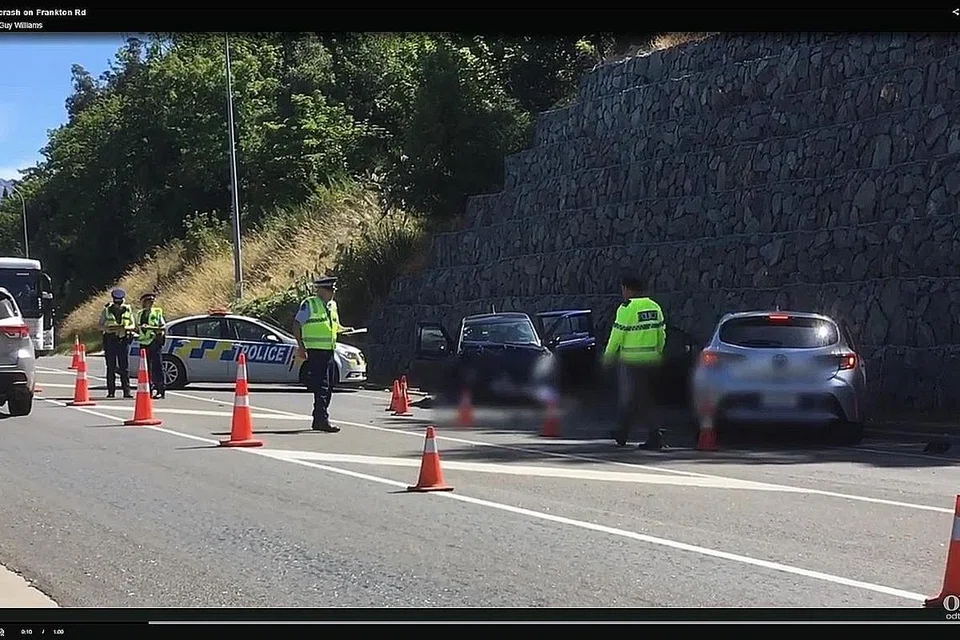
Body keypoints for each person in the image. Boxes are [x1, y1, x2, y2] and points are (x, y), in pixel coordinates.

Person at [602, 272, 668, 450]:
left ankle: (648, 435)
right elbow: (661, 334)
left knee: (633, 398)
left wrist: (608, 357)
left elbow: (617, 335)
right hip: (652, 361)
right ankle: (623, 432)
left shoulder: (627, 308)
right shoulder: (655, 307)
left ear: (627, 289)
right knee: (642, 398)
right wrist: (658, 353)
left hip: (631, 361)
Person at [293, 276, 354, 432]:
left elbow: (333, 325)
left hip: (329, 350)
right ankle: (321, 419)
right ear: (319, 290)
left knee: (329, 385)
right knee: (322, 386)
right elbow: (296, 324)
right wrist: (301, 347)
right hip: (316, 350)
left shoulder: (332, 306)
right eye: (328, 290)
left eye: (333, 290)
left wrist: (344, 330)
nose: (332, 293)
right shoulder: (310, 304)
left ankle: (320, 418)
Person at [98, 288, 136, 399]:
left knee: (124, 367)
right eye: (116, 302)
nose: (118, 305)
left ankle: (126, 391)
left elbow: (133, 325)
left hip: (123, 339)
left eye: (120, 302)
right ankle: (111, 391)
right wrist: (108, 328)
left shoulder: (128, 309)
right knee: (111, 366)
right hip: (110, 339)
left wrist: (126, 327)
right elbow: (100, 325)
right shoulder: (106, 310)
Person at [137, 292, 167, 399]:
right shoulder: (140, 314)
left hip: (154, 342)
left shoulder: (157, 312)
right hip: (143, 343)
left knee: (157, 367)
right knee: (145, 368)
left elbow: (162, 327)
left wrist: (149, 327)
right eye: (148, 302)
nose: (151, 303)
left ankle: (160, 390)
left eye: (152, 301)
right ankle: (148, 389)